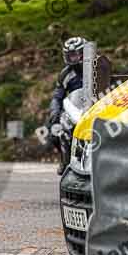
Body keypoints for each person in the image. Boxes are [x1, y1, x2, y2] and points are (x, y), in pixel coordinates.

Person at [48, 37, 86, 175]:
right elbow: (57, 96)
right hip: (76, 109)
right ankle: (65, 159)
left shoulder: (99, 67)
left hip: (97, 107)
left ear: (84, 53)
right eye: (69, 55)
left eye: (74, 54)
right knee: (53, 131)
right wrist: (54, 113)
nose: (72, 58)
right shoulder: (65, 74)